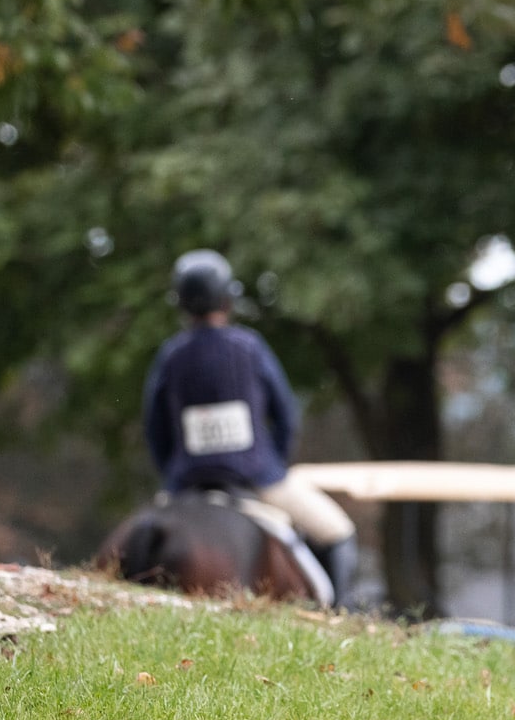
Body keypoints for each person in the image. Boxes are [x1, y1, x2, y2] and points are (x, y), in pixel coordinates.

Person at [143, 249, 358, 594]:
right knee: (337, 532)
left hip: (187, 481)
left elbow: (155, 430)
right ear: (228, 300)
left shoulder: (170, 356)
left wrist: (174, 472)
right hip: (257, 477)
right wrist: (275, 464)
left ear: (180, 305)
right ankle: (338, 615)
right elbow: (286, 415)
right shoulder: (250, 347)